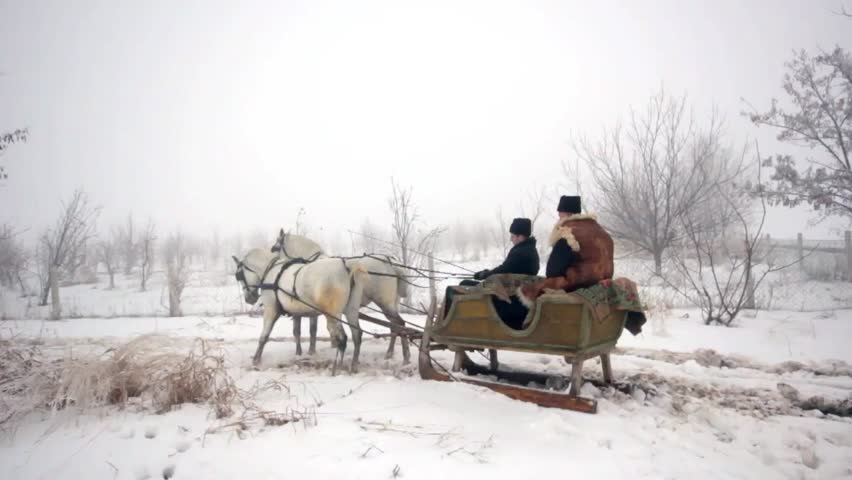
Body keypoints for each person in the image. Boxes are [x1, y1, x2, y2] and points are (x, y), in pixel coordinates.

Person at [518, 195, 614, 306]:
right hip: (602, 285)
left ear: (566, 214)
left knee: (527, 290)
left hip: (578, 285)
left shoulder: (567, 232)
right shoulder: (602, 232)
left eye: (559, 215)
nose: (559, 218)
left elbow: (552, 271)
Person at [443, 218, 540, 328]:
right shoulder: (531, 251)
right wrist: (486, 274)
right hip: (515, 297)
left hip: (508, 300)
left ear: (520, 236)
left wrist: (485, 274)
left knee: (459, 286)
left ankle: (448, 325)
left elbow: (503, 270)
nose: (511, 239)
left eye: (512, 236)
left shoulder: (520, 252)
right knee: (467, 283)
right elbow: (506, 271)